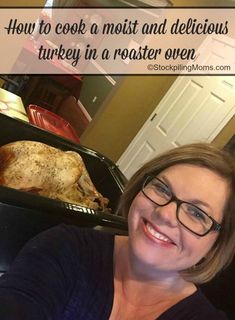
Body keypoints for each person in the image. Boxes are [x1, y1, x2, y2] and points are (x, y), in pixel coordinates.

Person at [0, 143, 234, 320]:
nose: (165, 214)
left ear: (217, 244)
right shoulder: (65, 248)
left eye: (196, 214)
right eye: (162, 188)